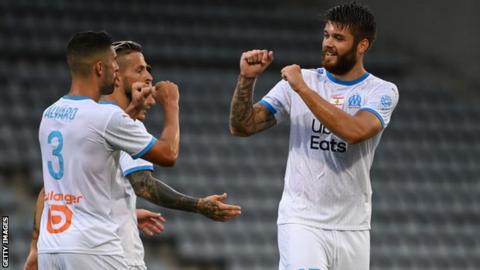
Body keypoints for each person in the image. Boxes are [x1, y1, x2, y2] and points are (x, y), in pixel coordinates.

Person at [25, 39, 241, 270]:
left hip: (55, 244)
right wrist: (172, 105)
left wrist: (36, 247)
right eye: (139, 69)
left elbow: (49, 190)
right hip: (103, 251)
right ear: (114, 74)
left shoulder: (56, 114)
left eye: (148, 69)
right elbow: (148, 180)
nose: (148, 76)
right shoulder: (114, 122)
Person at [229, 3, 399, 270]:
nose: (328, 43)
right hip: (302, 220)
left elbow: (354, 132)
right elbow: (242, 127)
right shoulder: (302, 80)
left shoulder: (381, 90)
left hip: (353, 226)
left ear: (362, 45)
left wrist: (302, 88)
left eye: (339, 38)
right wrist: (246, 80)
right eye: (326, 35)